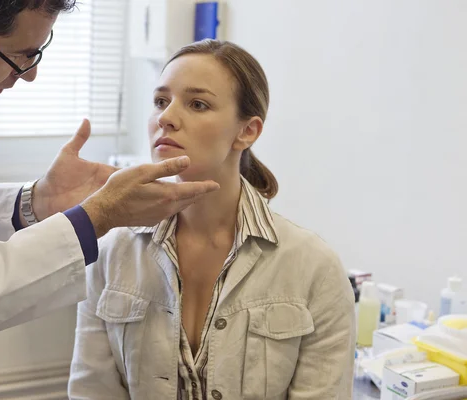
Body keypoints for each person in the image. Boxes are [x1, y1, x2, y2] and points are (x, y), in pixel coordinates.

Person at [0, 0, 220, 399]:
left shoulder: (300, 257)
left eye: (199, 104)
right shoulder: (118, 257)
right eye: (20, 55)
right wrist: (91, 221)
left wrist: (34, 203)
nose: (31, 74)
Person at [68, 39, 356, 400]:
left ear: (247, 131)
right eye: (160, 101)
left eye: (197, 104)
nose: (166, 118)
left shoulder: (313, 267)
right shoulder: (112, 255)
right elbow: (92, 390)